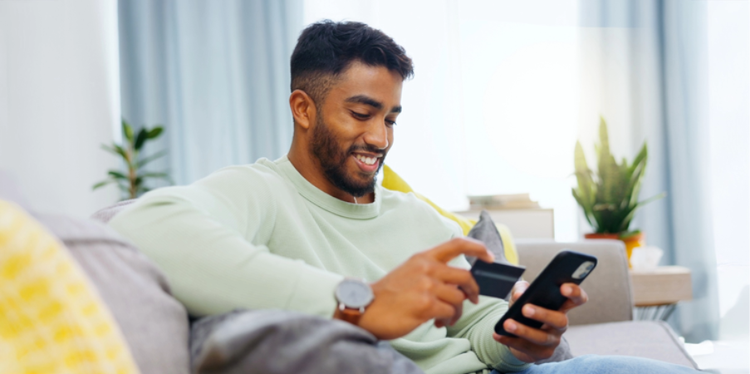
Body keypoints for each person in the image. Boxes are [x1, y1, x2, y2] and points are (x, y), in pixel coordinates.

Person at [110, 20, 699, 374]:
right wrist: (359, 303)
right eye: (362, 113)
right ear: (302, 108)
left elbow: (479, 327)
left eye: (392, 117)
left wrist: (521, 340)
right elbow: (145, 227)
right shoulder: (260, 192)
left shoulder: (420, 218)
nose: (380, 138)